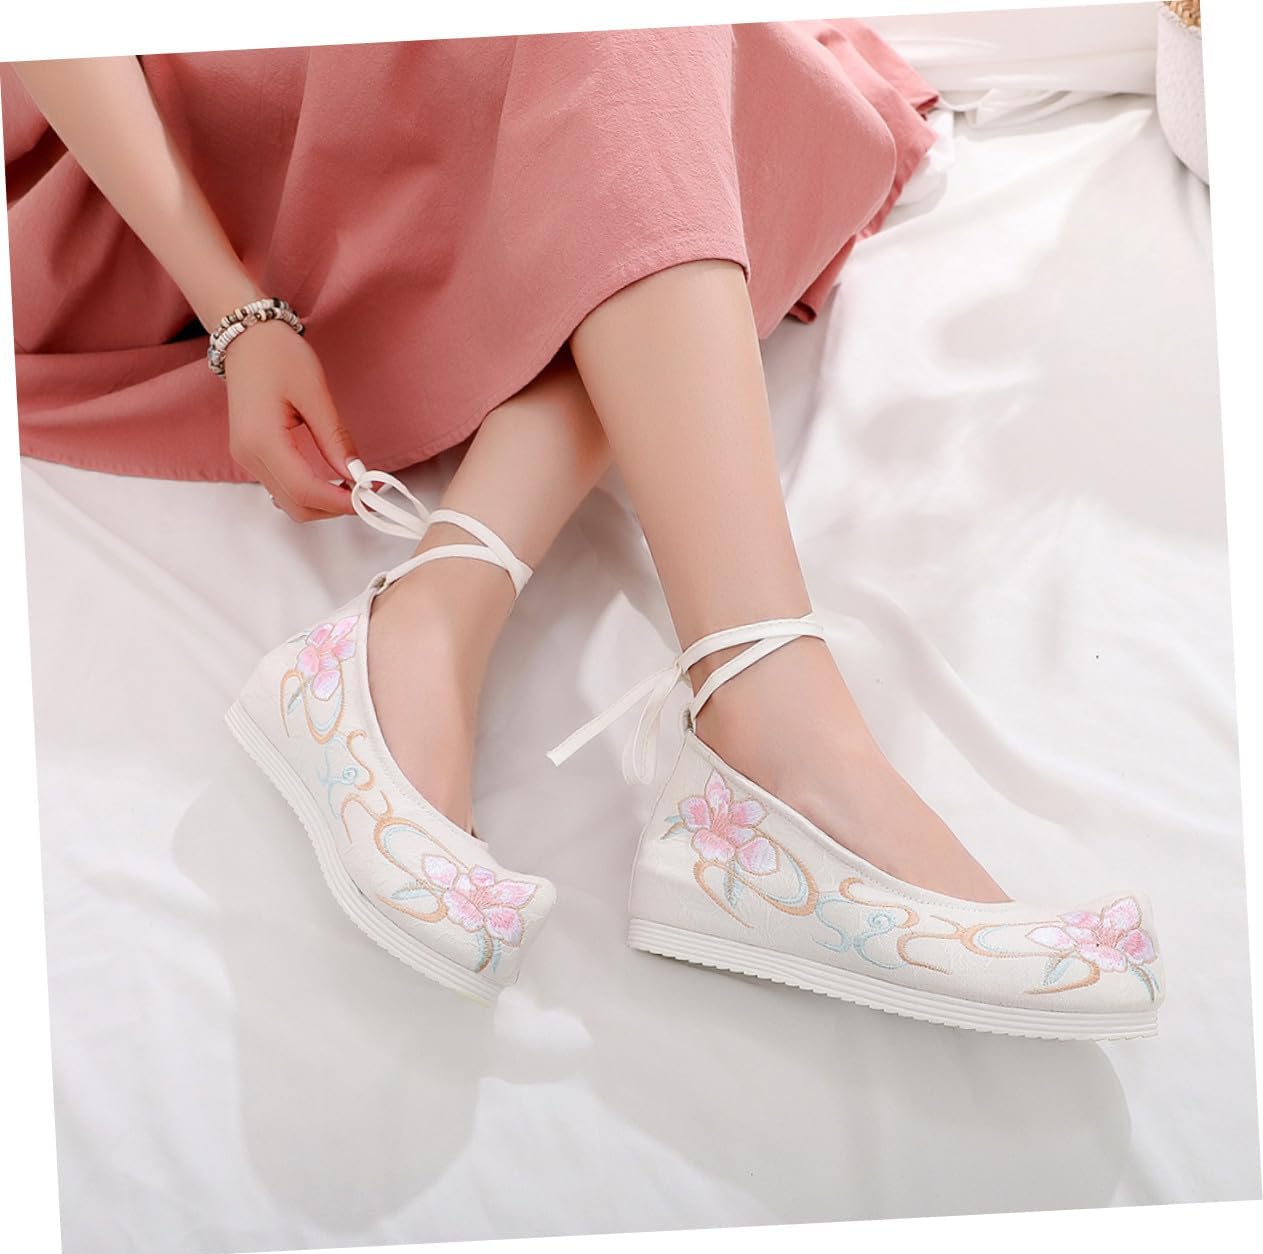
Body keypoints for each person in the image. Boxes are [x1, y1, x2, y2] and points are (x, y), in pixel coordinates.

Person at [6, 23, 1164, 1036]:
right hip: (138, 162)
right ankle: (773, 736)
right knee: (675, 87)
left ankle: (426, 628)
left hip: (369, 86)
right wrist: (238, 313)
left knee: (761, 101)